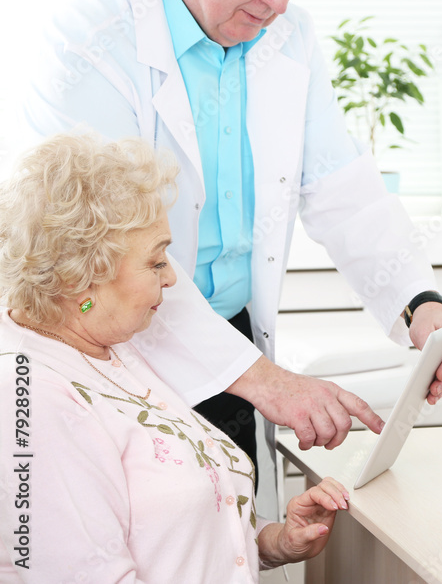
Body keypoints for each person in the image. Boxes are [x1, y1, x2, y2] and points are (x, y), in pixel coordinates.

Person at [18, 0, 442, 489]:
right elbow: (112, 250)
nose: (279, 2)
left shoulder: (288, 37)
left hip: (231, 336)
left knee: (234, 545)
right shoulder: (87, 40)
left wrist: (419, 303)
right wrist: (265, 380)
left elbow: (342, 187)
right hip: (113, 346)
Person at [0, 134, 353, 582]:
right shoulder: (32, 398)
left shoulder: (117, 349)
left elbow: (177, 532)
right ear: (82, 277)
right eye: (155, 262)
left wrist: (275, 541)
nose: (171, 279)